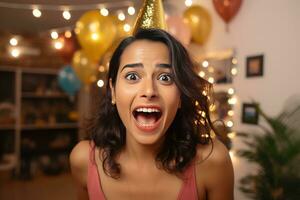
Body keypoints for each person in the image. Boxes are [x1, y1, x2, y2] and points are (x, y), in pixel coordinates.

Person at [70, 28, 234, 200]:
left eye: (165, 78)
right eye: (132, 76)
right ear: (113, 90)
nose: (149, 91)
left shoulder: (212, 162)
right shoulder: (83, 160)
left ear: (180, 96)